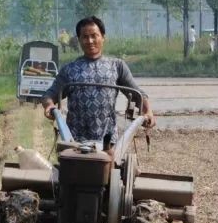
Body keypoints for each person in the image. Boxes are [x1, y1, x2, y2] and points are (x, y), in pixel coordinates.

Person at [41, 16, 154, 147]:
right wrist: (49, 106)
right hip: (74, 141)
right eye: (85, 37)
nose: (90, 41)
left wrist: (148, 111)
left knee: (106, 166)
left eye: (94, 35)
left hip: (108, 141)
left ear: (103, 37)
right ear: (79, 40)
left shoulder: (117, 66)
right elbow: (49, 95)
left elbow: (137, 94)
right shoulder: (69, 70)